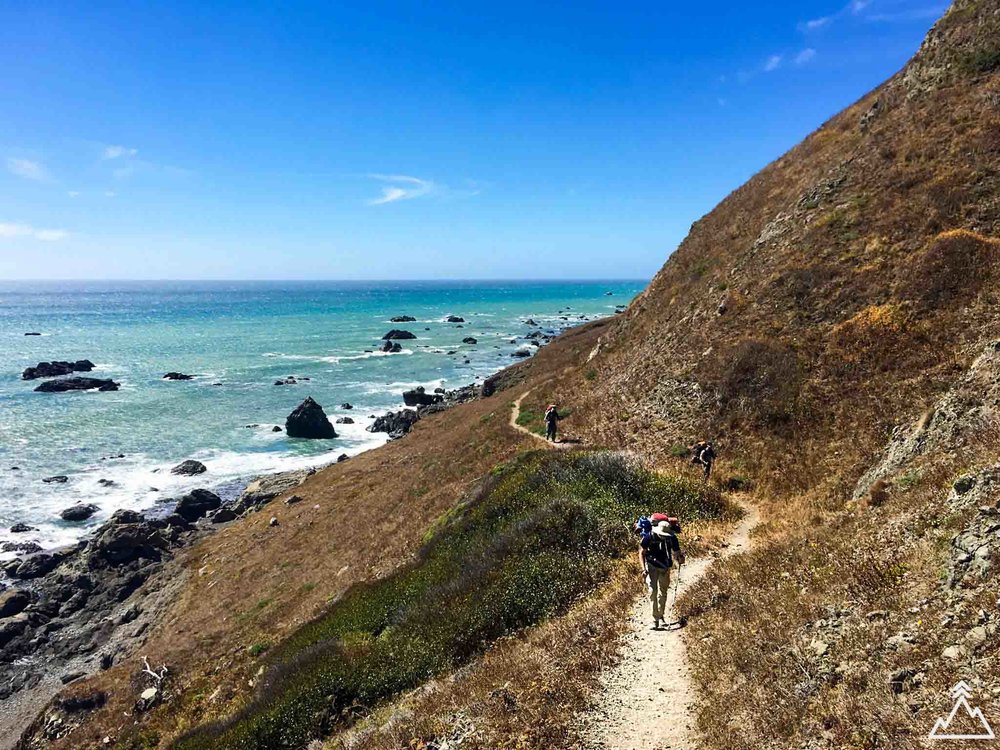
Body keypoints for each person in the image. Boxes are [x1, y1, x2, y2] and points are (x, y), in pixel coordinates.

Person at [639, 519, 684, 629]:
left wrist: (680, 558)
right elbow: (641, 552)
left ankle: (661, 616)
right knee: (652, 591)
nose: (664, 537)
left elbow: (677, 552)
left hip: (665, 566)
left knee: (662, 592)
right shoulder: (649, 536)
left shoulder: (672, 538)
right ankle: (655, 619)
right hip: (651, 566)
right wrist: (643, 569)